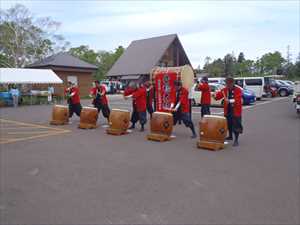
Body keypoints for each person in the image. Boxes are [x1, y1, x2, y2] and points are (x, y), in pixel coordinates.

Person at [214, 77, 243, 147]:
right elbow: (218, 96)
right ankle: (230, 136)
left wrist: (230, 101)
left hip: (236, 111)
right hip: (228, 111)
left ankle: (236, 140)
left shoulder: (238, 90)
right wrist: (214, 96)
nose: (227, 85)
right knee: (228, 124)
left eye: (228, 84)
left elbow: (238, 100)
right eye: (226, 84)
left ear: (232, 83)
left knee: (236, 126)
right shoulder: (224, 90)